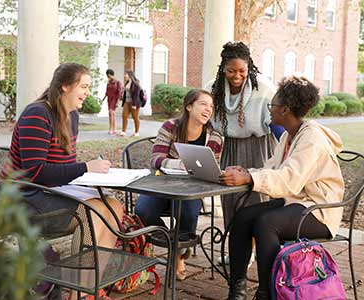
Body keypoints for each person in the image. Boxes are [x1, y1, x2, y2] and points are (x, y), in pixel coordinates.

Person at [0, 63, 124, 300]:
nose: (88, 92)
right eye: (84, 86)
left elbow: (62, 167)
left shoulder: (72, 116)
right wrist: (85, 168)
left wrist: (87, 174)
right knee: (92, 212)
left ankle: (90, 287)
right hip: (20, 196)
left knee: (114, 208)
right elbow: (36, 172)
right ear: (65, 86)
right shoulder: (37, 114)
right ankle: (76, 291)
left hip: (50, 191)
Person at [220, 76, 344, 300]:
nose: (270, 110)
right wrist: (246, 172)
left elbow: (290, 179)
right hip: (297, 201)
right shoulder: (289, 135)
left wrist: (249, 177)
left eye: (272, 105)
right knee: (244, 216)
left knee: (267, 223)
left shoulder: (311, 139)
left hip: (320, 209)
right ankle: (236, 289)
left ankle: (267, 293)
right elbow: (273, 169)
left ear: (285, 109)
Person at [135, 89, 223, 280]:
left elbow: (213, 169)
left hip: (191, 188)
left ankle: (179, 255)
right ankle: (175, 244)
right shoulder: (170, 127)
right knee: (143, 211)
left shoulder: (214, 137)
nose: (208, 109)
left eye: (211, 106)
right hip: (162, 184)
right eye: (203, 104)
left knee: (188, 212)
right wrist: (178, 164)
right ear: (189, 106)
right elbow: (156, 159)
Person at [206, 41, 284, 231]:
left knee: (257, 198)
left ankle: (259, 244)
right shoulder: (213, 89)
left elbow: (278, 124)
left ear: (249, 67)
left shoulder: (264, 88)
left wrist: (286, 152)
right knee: (230, 198)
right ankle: (237, 248)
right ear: (223, 68)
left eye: (242, 70)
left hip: (260, 147)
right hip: (230, 147)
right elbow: (206, 121)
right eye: (231, 70)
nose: (237, 76)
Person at [120, 70, 142, 137]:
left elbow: (136, 95)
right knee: (124, 116)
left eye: (126, 74)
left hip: (134, 103)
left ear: (130, 75)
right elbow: (125, 93)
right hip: (127, 102)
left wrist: (134, 104)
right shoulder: (127, 83)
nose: (124, 76)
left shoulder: (136, 84)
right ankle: (123, 131)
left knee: (135, 117)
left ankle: (136, 132)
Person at [101, 69, 122, 135]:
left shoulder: (118, 82)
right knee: (111, 114)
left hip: (114, 99)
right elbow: (107, 92)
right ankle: (114, 128)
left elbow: (119, 93)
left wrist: (117, 102)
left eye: (108, 75)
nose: (107, 76)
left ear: (109, 74)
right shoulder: (109, 82)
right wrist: (103, 99)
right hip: (109, 99)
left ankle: (111, 129)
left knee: (111, 112)